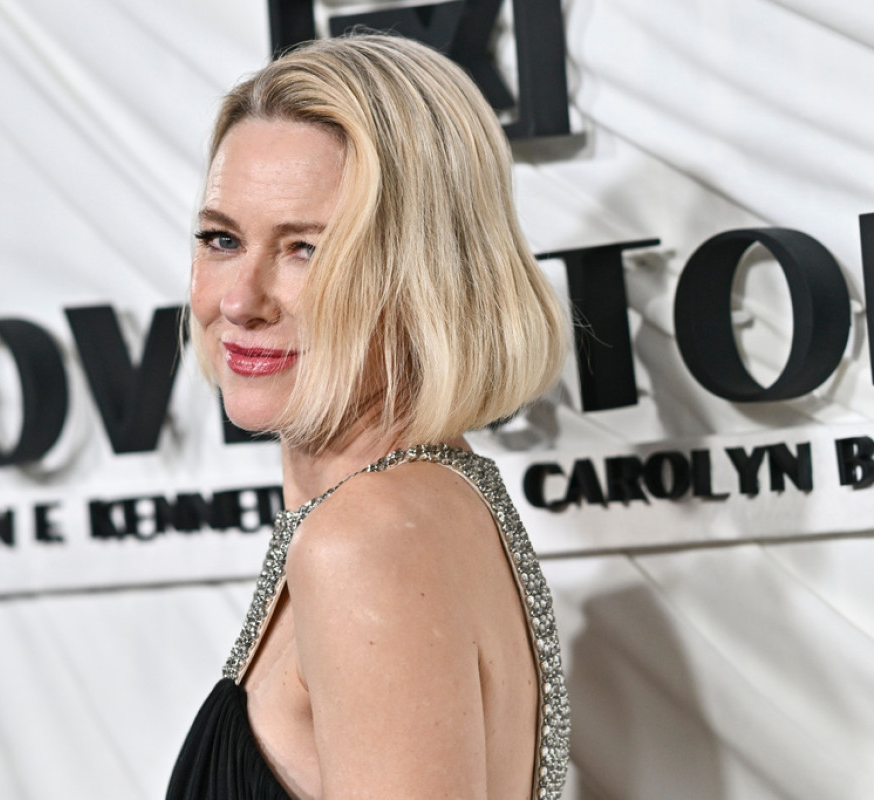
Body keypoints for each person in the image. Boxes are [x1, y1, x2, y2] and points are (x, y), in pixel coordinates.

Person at [167, 33, 570, 800]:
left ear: (424, 276)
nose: (240, 300)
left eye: (306, 249)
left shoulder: (368, 542)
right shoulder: (421, 507)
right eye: (222, 239)